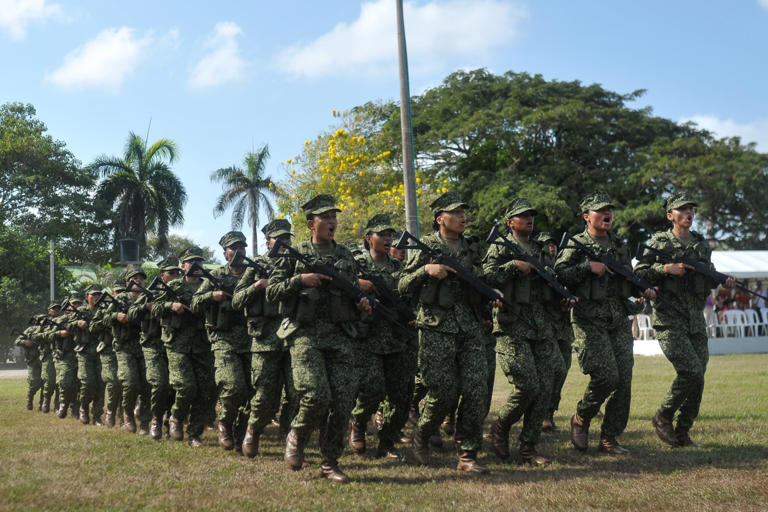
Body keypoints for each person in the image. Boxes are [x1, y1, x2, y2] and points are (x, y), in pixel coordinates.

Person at [266, 194, 371, 483]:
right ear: (311, 224)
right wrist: (301, 280)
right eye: (325, 218)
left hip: (339, 335)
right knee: (315, 394)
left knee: (342, 400)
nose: (332, 222)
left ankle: (330, 461)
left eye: (334, 217)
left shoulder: (345, 256)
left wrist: (361, 304)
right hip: (304, 334)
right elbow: (272, 291)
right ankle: (297, 435)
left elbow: (352, 292)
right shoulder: (293, 253)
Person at [398, 190, 491, 474]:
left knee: (476, 390)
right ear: (440, 219)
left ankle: (467, 454)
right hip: (436, 328)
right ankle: (423, 434)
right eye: (456, 213)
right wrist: (426, 269)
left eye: (464, 212)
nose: (463, 217)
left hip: (470, 327)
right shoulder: (426, 245)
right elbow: (403, 285)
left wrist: (491, 293)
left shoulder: (472, 247)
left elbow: (482, 279)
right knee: (444, 392)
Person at [554, 191, 653, 455]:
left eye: (609, 210)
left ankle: (609, 437)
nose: (607, 214)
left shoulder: (619, 245)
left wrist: (641, 290)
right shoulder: (575, 244)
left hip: (618, 317)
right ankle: (581, 416)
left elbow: (625, 279)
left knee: (624, 379)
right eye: (600, 210)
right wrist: (588, 267)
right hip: (588, 319)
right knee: (606, 376)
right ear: (587, 216)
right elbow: (559, 274)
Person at [635, 192, 734, 447]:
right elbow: (639, 274)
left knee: (698, 376)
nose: (689, 213)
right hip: (669, 319)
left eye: (691, 209)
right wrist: (665, 269)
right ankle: (663, 415)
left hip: (695, 319)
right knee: (691, 371)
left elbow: (706, 277)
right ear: (671, 216)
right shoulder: (659, 243)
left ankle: (683, 432)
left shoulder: (701, 245)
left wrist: (723, 280)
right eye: (682, 209)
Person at [483, 199, 556, 465]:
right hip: (512, 325)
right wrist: (514, 266)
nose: (529, 219)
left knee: (545, 387)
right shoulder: (499, 247)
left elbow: (552, 279)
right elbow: (486, 276)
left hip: (540, 325)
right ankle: (501, 426)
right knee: (527, 385)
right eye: (522, 216)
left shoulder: (540, 249)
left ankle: (529, 447)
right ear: (509, 222)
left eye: (531, 216)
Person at [349, 214, 414, 459]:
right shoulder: (357, 264)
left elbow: (407, 297)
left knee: (400, 397)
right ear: (369, 238)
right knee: (373, 389)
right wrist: (358, 284)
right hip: (368, 338)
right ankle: (358, 423)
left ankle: (387, 441)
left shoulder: (399, 267)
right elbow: (341, 282)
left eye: (390, 235)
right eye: (382, 235)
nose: (388, 239)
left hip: (396, 339)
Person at [233, 219, 298, 458]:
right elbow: (237, 300)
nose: (284, 244)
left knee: (297, 392)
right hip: (265, 340)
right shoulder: (257, 265)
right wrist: (258, 286)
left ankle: (289, 436)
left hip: (293, 337)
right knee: (263, 394)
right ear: (268, 242)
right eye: (278, 240)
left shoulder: (296, 263)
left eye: (287, 239)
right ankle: (252, 431)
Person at [192, 232, 252, 452]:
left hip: (251, 338)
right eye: (233, 248)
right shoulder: (214, 275)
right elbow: (196, 303)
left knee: (252, 390)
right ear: (224, 252)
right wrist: (212, 295)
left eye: (242, 247)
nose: (238, 252)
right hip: (223, 338)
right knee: (232, 385)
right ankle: (225, 424)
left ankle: (240, 433)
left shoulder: (252, 274)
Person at [151, 247, 217, 447]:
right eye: (192, 262)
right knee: (186, 387)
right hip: (177, 343)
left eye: (200, 262)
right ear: (183, 266)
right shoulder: (175, 286)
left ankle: (194, 434)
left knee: (206, 390)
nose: (197, 266)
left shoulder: (208, 285)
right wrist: (171, 306)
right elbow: (154, 308)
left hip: (201, 343)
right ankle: (175, 417)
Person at [128, 263, 173, 440]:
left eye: (178, 272)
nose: (176, 275)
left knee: (173, 387)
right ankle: (152, 421)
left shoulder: (180, 293)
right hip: (152, 344)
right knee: (157, 385)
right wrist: (146, 307)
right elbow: (132, 313)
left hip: (174, 344)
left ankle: (170, 422)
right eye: (172, 272)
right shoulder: (149, 296)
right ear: (162, 276)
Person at [105, 269, 152, 434]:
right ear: (127, 283)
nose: (138, 281)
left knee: (147, 385)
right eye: (134, 278)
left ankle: (145, 422)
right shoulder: (120, 298)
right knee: (130, 383)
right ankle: (128, 415)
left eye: (141, 279)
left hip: (145, 346)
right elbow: (105, 317)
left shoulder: (149, 297)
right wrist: (116, 316)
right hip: (124, 347)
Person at [536, 231, 574, 434]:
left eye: (553, 244)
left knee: (562, 371)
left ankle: (549, 414)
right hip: (545, 325)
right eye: (547, 245)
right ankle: (540, 415)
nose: (551, 248)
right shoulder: (539, 267)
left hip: (563, 326)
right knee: (553, 370)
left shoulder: (563, 268)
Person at [67, 287, 105, 425]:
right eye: (94, 294)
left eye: (99, 294)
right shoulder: (81, 311)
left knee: (101, 384)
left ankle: (97, 416)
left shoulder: (105, 310)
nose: (96, 297)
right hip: (84, 352)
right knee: (87, 382)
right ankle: (83, 408)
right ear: (86, 296)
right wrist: (77, 323)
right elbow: (67, 325)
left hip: (102, 351)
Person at [90, 281, 124, 427]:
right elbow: (93, 327)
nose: (120, 294)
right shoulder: (104, 309)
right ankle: (106, 413)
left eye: (123, 291)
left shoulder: (131, 305)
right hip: (108, 349)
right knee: (112, 382)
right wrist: (110, 320)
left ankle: (123, 416)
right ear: (113, 294)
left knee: (125, 383)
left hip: (124, 348)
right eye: (117, 292)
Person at [15, 315, 44, 410]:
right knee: (34, 382)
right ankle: (30, 397)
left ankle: (42, 404)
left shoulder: (48, 329)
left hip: (45, 359)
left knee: (46, 382)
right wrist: (25, 342)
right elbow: (17, 341)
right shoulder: (30, 330)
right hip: (33, 360)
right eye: (39, 319)